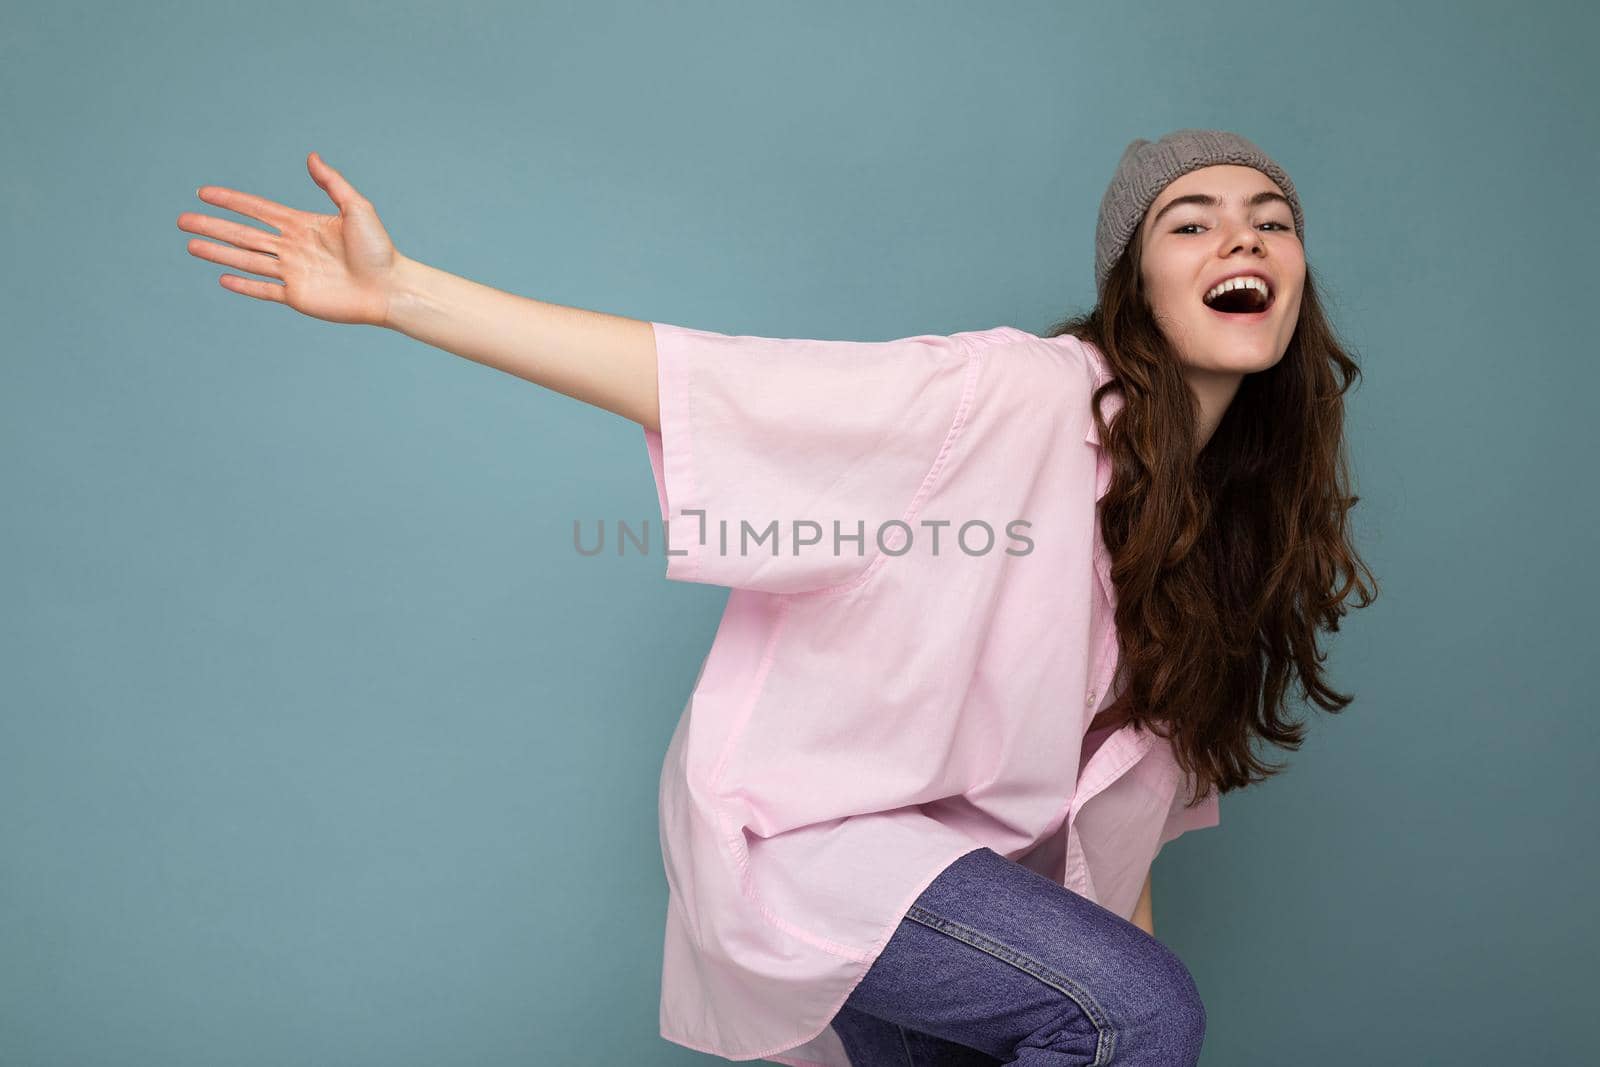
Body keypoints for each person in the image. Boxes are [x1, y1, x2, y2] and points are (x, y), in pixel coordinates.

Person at [177, 127, 1377, 1065]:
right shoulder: (1021, 395)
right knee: (1140, 1011)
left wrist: (1113, 989)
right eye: (1193, 223)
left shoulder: (1225, 533)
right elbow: (741, 387)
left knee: (1122, 1010)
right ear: (1136, 282)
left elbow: (1123, 818)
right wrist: (407, 296)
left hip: (964, 898)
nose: (1244, 243)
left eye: (1273, 223)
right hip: (813, 846)